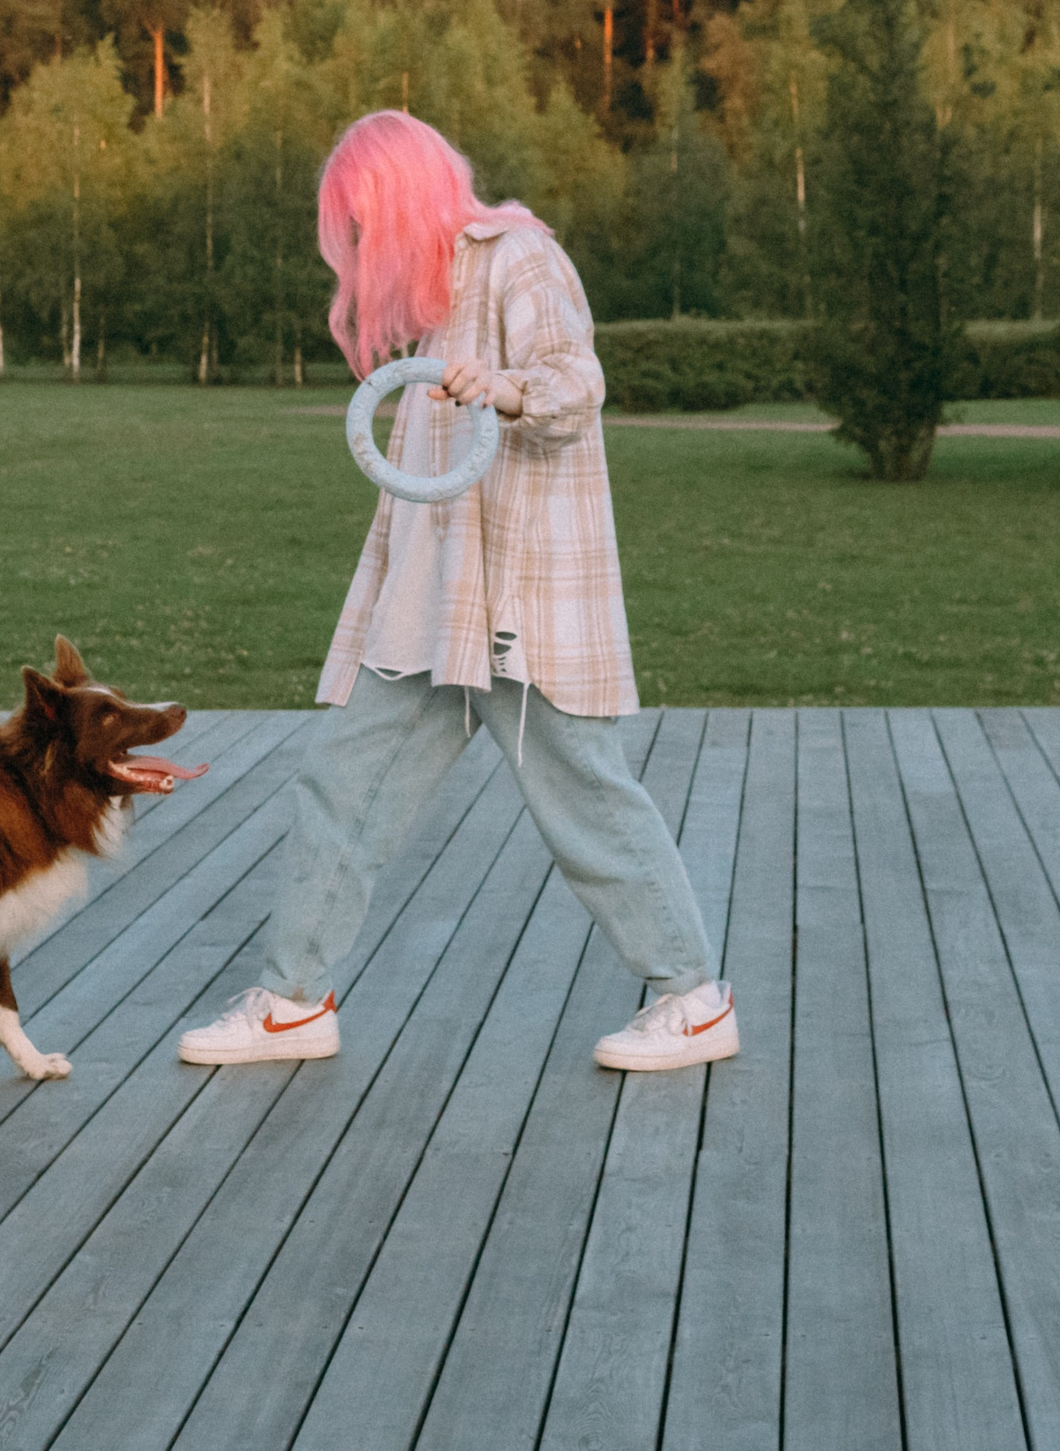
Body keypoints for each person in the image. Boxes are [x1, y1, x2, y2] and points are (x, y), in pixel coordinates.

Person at [177, 110, 734, 1075]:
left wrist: (506, 390)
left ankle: (693, 997)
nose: (356, 242)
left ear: (404, 195)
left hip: (519, 599)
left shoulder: (518, 256)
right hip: (432, 606)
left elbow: (576, 383)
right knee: (340, 785)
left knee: (585, 799)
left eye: (363, 218)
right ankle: (292, 1001)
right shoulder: (436, 293)